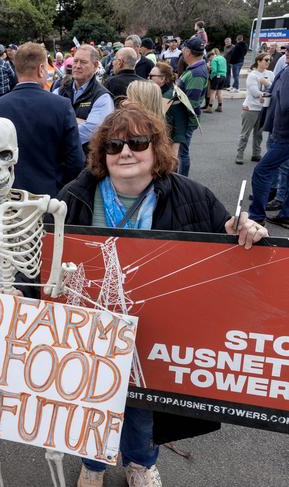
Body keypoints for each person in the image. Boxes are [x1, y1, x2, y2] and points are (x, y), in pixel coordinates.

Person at [57, 104, 268, 487]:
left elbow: (226, 235)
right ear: (102, 154)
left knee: (141, 408)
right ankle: (94, 463)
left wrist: (243, 227)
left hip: (157, 334)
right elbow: (46, 257)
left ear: (156, 149)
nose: (125, 151)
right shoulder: (73, 196)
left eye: (137, 142)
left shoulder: (191, 195)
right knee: (90, 401)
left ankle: (139, 461)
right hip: (90, 330)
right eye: (114, 144)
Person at [0, 42, 84, 197]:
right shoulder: (61, 106)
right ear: (41, 69)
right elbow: (75, 160)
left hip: (8, 197)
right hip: (50, 196)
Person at [248, 51, 289, 228]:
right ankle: (285, 212)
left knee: (261, 171)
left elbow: (285, 103)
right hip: (280, 131)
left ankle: (256, 216)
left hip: (284, 134)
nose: (286, 52)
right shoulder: (285, 70)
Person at [64, 44, 114, 150]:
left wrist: (61, 123)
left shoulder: (102, 97)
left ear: (95, 66)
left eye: (83, 62)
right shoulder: (61, 90)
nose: (77, 66)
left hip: (87, 162)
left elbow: (92, 131)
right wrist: (78, 121)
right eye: (75, 61)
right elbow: (45, 119)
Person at [176, 36, 208, 177]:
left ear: (188, 51)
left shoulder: (196, 73)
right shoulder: (196, 69)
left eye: (184, 48)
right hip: (183, 119)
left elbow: (191, 104)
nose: (182, 50)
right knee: (181, 152)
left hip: (185, 120)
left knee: (182, 153)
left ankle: (182, 181)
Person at [236, 53, 274, 164]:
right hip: (251, 108)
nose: (268, 62)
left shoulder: (270, 74)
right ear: (259, 61)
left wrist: (266, 83)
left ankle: (256, 154)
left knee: (259, 134)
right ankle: (240, 154)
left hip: (263, 109)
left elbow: (274, 87)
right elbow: (254, 92)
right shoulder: (253, 75)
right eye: (266, 60)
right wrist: (263, 94)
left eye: (269, 60)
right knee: (245, 134)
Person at [148, 62, 190, 157]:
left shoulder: (172, 96)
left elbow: (180, 125)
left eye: (151, 76)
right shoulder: (160, 93)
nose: (148, 79)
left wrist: (174, 153)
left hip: (167, 146)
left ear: (162, 79)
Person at [205, 48, 227, 113]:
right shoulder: (223, 58)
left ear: (211, 56)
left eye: (209, 59)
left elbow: (214, 70)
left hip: (216, 77)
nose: (210, 60)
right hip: (223, 76)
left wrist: (211, 77)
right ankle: (220, 107)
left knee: (213, 93)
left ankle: (210, 107)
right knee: (219, 92)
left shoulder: (214, 60)